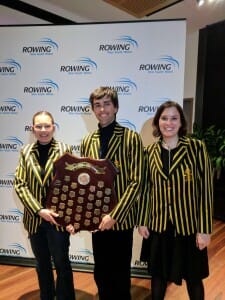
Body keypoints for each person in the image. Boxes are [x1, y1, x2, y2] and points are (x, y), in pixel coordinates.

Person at [68, 87, 144, 300]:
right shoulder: (87, 141)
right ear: (93, 109)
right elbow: (84, 183)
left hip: (120, 219)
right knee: (101, 272)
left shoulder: (131, 138)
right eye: (98, 105)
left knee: (119, 274)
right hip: (96, 220)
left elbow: (136, 181)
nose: (102, 109)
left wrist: (115, 215)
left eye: (107, 104)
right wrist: (79, 217)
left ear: (116, 107)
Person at [137, 100, 213, 300]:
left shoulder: (196, 148)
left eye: (174, 118)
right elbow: (145, 190)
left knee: (193, 277)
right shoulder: (149, 152)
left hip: (188, 225)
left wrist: (204, 229)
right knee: (158, 276)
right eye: (164, 118)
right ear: (157, 122)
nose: (168, 123)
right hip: (159, 225)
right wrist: (143, 220)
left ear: (181, 123)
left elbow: (206, 189)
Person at [14, 111, 76, 300]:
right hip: (35, 220)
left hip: (58, 219)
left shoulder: (65, 151)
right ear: (32, 129)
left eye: (46, 126)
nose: (43, 130)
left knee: (61, 262)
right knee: (42, 264)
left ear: (53, 127)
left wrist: (70, 218)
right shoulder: (25, 152)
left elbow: (72, 186)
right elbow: (20, 184)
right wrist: (39, 210)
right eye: (38, 126)